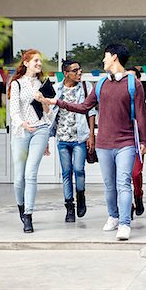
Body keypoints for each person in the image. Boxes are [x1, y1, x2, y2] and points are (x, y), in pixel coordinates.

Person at [38, 44, 146, 240]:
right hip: (104, 144)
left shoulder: (134, 84)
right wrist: (57, 102)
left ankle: (125, 223)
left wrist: (144, 141)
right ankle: (113, 216)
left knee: (123, 183)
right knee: (109, 185)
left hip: (126, 142)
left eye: (106, 56)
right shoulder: (100, 84)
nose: (103, 60)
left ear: (114, 57)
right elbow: (84, 107)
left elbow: (140, 115)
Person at [8, 49, 55, 233]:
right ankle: (21, 206)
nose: (39, 64)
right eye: (36, 60)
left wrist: (44, 100)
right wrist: (23, 124)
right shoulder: (17, 84)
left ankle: (28, 215)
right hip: (21, 132)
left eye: (40, 61)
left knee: (31, 174)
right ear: (26, 63)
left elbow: (48, 113)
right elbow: (13, 112)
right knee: (19, 178)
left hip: (41, 129)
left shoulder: (43, 84)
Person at [50, 59, 97, 222]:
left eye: (80, 69)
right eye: (75, 70)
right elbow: (49, 112)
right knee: (66, 172)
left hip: (80, 137)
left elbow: (91, 112)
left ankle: (81, 196)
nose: (79, 73)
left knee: (78, 169)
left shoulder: (86, 87)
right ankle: (69, 206)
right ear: (66, 73)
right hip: (62, 138)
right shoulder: (56, 89)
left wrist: (91, 135)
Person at [126, 66, 145, 219]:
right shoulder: (122, 95)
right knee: (123, 176)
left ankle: (138, 195)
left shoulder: (143, 96)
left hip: (138, 139)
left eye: (133, 78)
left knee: (136, 173)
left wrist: (145, 141)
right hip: (122, 140)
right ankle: (128, 206)